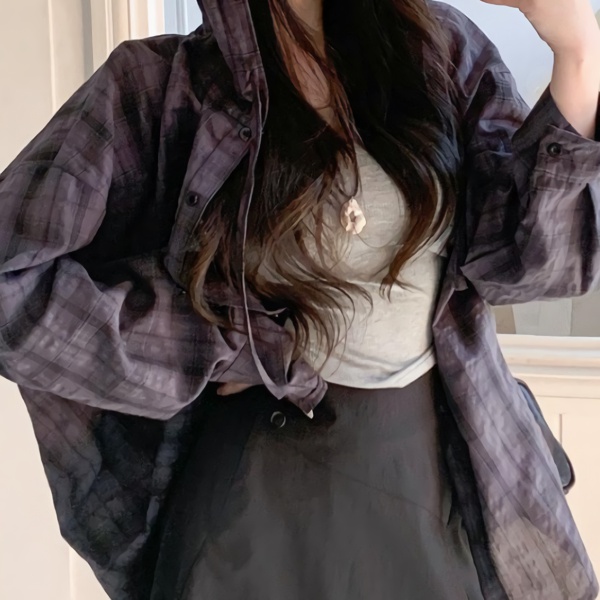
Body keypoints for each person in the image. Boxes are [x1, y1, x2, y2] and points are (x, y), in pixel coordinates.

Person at [2, 0, 600, 597]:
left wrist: (576, 50)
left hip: (436, 472)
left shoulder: (442, 53)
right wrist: (214, 342)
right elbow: (11, 283)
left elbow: (527, 268)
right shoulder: (162, 86)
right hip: (258, 500)